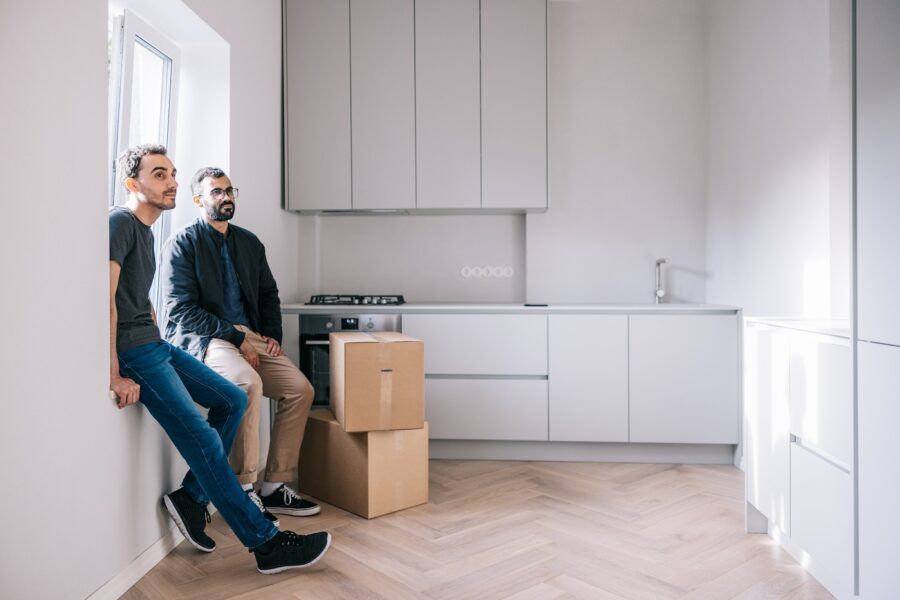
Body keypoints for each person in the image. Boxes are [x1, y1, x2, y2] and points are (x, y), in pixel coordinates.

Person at [108, 144, 330, 574]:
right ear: (132, 183)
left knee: (231, 399)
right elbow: (105, 301)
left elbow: (138, 299)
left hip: (154, 345)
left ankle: (191, 498)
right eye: (159, 174)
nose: (171, 182)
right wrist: (114, 373)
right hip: (137, 354)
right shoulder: (121, 223)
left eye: (172, 173)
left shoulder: (145, 231)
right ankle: (265, 543)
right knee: (205, 439)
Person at [160, 167, 319, 522]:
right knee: (248, 385)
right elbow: (180, 309)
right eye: (216, 192)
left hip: (249, 335)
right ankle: (245, 490)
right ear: (199, 200)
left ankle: (273, 486)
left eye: (230, 190)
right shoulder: (183, 243)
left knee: (300, 390)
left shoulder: (248, 242)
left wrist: (272, 335)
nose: (226, 197)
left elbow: (268, 294)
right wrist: (236, 337)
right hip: (206, 337)